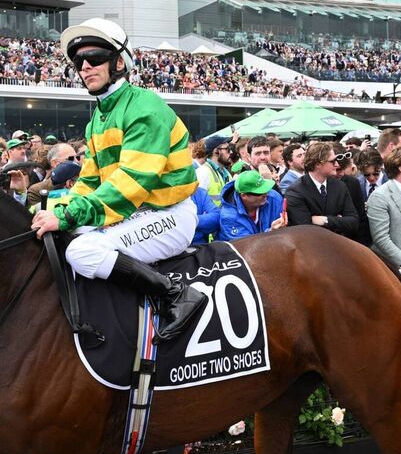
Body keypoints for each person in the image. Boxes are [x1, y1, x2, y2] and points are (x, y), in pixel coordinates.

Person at [29, 19, 204, 342]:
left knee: (82, 252)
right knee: (63, 238)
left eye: (94, 57)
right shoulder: (98, 117)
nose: (85, 66)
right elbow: (89, 183)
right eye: (78, 61)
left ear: (119, 62)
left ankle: (176, 294)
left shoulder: (145, 108)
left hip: (170, 216)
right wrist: (55, 207)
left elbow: (130, 184)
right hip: (136, 213)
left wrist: (66, 215)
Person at [283, 141, 359, 239]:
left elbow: (353, 223)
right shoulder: (295, 191)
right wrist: (339, 221)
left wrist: (325, 220)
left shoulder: (340, 186)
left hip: (339, 246)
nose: (336, 164)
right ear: (318, 164)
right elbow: (305, 230)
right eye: (332, 161)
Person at [217, 171, 285, 241]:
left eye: (266, 189)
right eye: (260, 193)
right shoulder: (229, 217)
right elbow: (246, 246)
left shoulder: (274, 198)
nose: (266, 194)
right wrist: (271, 232)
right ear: (244, 196)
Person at [194, 134, 235, 207]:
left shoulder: (226, 173)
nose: (231, 152)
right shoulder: (203, 172)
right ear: (216, 152)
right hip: (213, 217)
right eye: (227, 149)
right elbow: (198, 203)